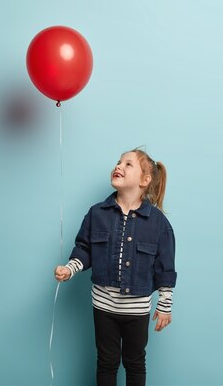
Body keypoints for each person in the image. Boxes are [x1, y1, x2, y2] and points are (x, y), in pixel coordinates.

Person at [54, 148, 177, 386]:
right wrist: (70, 269)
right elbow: (84, 249)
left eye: (128, 164)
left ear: (145, 180)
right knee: (106, 362)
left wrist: (165, 305)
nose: (119, 166)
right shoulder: (96, 213)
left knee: (135, 362)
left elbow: (165, 266)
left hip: (137, 310)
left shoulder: (159, 223)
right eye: (119, 162)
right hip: (103, 306)